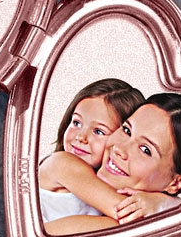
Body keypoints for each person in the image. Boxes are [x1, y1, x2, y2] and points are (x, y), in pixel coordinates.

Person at [43, 92, 181, 236]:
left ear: (176, 182)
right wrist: (166, 204)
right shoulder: (63, 163)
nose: (119, 149)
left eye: (145, 150)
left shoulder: (128, 228)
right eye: (126, 130)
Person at [39, 79, 144, 224]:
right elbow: (129, 215)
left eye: (98, 131)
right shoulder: (61, 163)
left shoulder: (111, 181)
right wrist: (163, 202)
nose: (81, 137)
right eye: (76, 122)